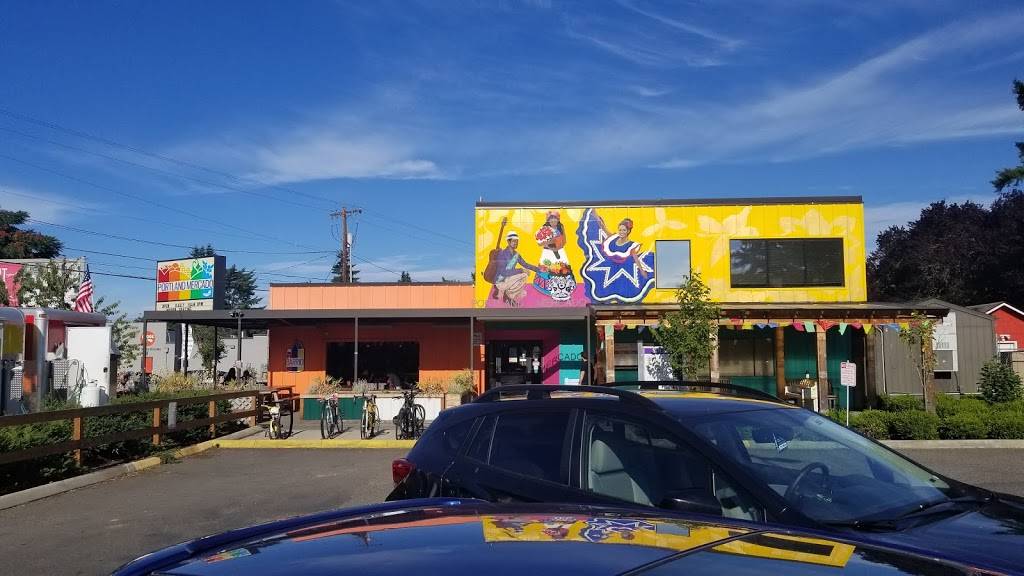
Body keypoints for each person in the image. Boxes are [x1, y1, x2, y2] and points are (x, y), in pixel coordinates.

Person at [577, 208, 656, 303]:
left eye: (624, 230)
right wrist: (595, 215)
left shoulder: (631, 245)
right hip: (609, 265)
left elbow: (636, 259)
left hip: (622, 268)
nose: (621, 232)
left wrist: (642, 271)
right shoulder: (613, 238)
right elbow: (603, 227)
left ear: (628, 231)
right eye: (620, 230)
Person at [490, 230, 544, 306]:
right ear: (508, 242)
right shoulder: (502, 254)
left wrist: (538, 269)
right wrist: (521, 270)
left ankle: (508, 293)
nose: (516, 243)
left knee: (524, 279)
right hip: (500, 280)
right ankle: (508, 296)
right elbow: (504, 272)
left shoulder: (516, 255)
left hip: (509, 279)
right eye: (514, 241)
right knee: (524, 275)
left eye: (517, 241)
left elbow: (525, 264)